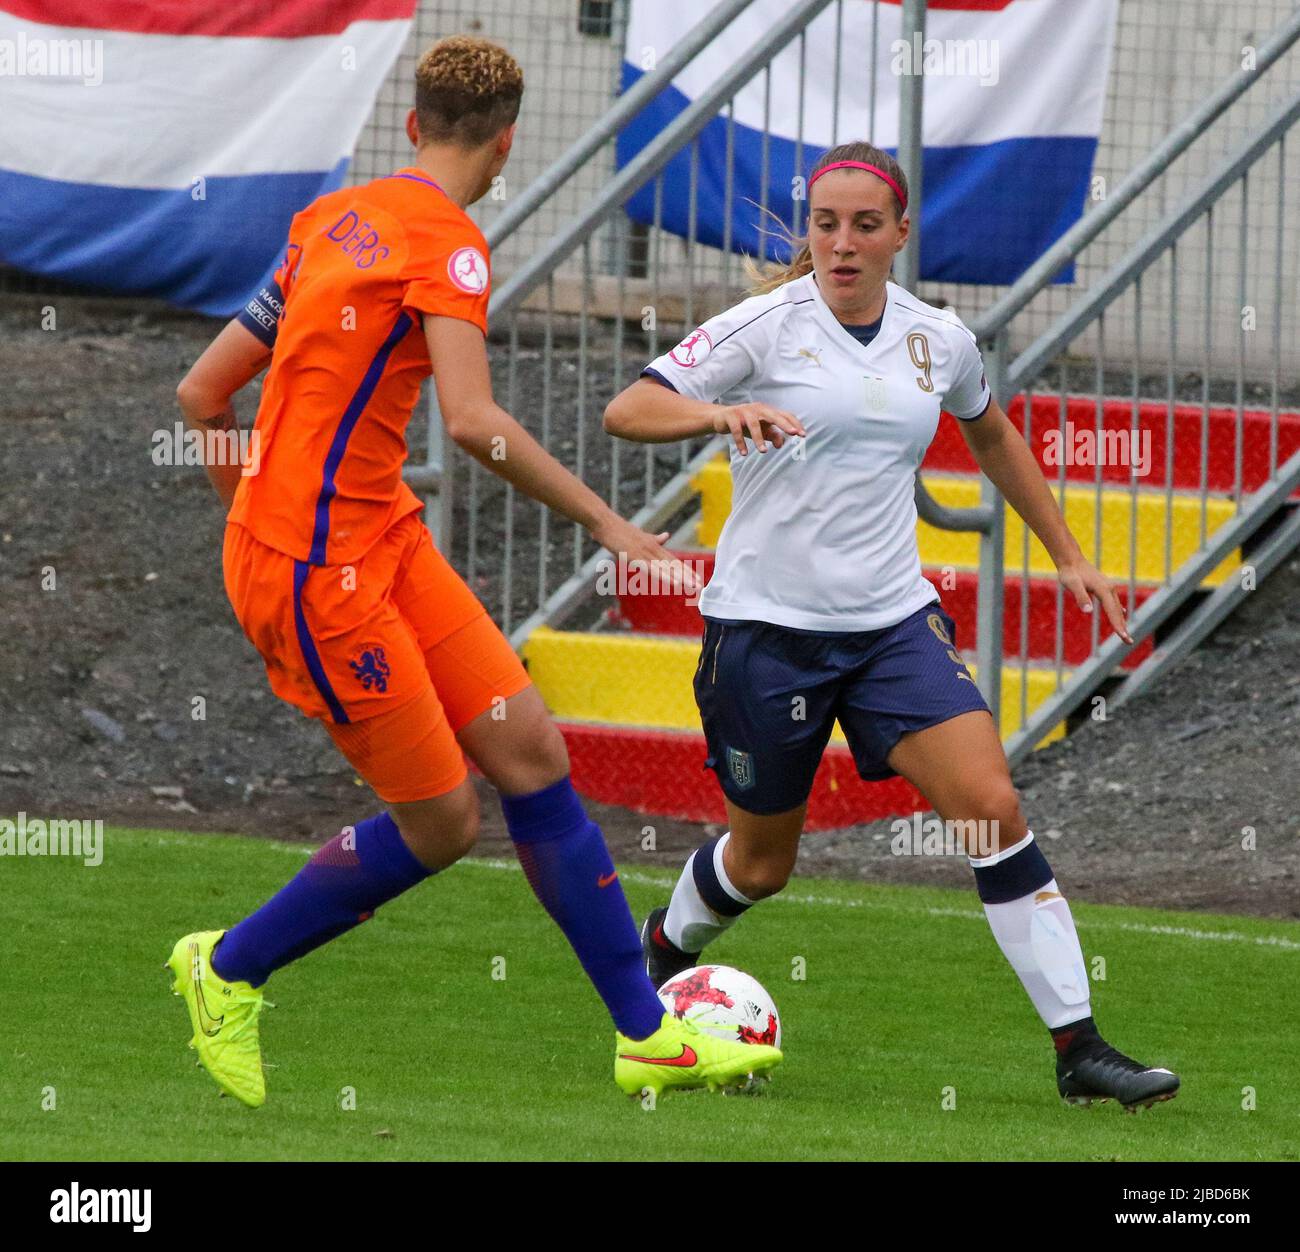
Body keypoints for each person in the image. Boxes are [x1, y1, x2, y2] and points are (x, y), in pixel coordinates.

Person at [167, 34, 780, 1107]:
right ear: (504, 145)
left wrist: (254, 522)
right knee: (443, 823)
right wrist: (605, 521)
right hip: (324, 577)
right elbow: (476, 421)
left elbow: (200, 396)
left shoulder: (331, 220)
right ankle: (226, 970)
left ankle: (647, 1032)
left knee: (532, 752)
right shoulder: (449, 246)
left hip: (374, 539)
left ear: (412, 127)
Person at [604, 141, 1178, 1112]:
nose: (841, 242)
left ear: (900, 234)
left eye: (864, 224)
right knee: (761, 862)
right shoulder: (762, 327)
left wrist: (1068, 551)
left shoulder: (937, 339)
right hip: (764, 634)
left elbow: (990, 430)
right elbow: (629, 408)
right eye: (825, 223)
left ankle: (1079, 1047)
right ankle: (659, 951)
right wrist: (717, 414)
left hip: (890, 627)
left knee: (990, 806)